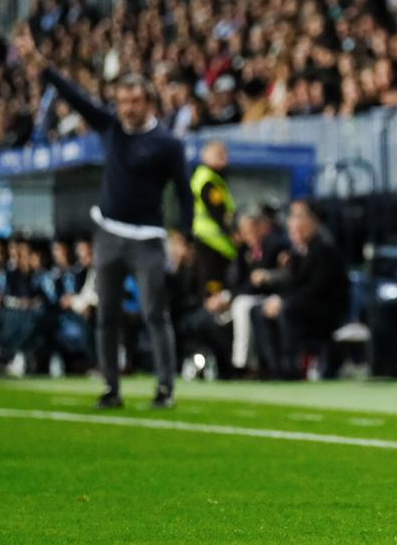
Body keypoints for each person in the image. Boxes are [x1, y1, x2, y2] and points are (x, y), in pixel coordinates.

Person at [15, 28, 193, 410]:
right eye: (122, 101)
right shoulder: (111, 127)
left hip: (147, 237)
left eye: (134, 101)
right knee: (106, 315)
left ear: (149, 103)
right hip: (108, 233)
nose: (126, 108)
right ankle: (112, 387)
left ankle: (165, 387)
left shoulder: (167, 144)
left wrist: (184, 235)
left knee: (154, 314)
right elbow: (74, 96)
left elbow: (183, 191)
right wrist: (37, 61)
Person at [254, 200, 349, 379]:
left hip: (325, 310)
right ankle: (274, 367)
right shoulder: (297, 253)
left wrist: (284, 301)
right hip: (304, 304)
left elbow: (318, 289)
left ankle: (291, 367)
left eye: (297, 217)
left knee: (287, 310)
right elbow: (293, 284)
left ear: (313, 221)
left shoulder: (324, 249)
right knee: (261, 310)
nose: (292, 223)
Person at [190, 140, 237, 297]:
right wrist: (235, 234)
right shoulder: (208, 180)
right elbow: (219, 213)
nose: (223, 158)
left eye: (224, 154)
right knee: (213, 288)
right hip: (212, 242)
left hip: (212, 241)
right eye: (218, 154)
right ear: (205, 155)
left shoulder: (212, 177)